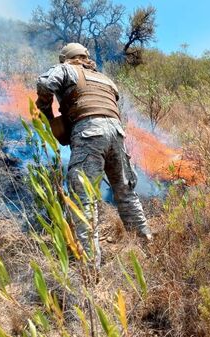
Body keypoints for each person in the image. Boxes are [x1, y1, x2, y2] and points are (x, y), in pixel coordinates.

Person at [36, 42, 152, 267]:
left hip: (89, 133)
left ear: (67, 58)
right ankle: (146, 247)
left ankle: (89, 266)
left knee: (84, 199)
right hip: (116, 133)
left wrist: (48, 115)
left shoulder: (67, 69)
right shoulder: (105, 79)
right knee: (126, 193)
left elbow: (44, 83)